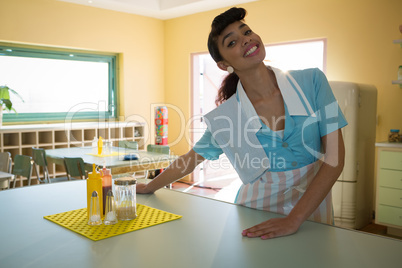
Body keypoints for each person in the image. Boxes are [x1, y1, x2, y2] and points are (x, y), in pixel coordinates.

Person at [137, 7, 347, 240]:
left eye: (246, 31)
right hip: (256, 215)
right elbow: (190, 160)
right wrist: (148, 187)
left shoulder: (313, 82)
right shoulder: (227, 117)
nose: (246, 40)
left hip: (311, 215)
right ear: (223, 63)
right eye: (232, 42)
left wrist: (293, 219)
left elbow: (334, 159)